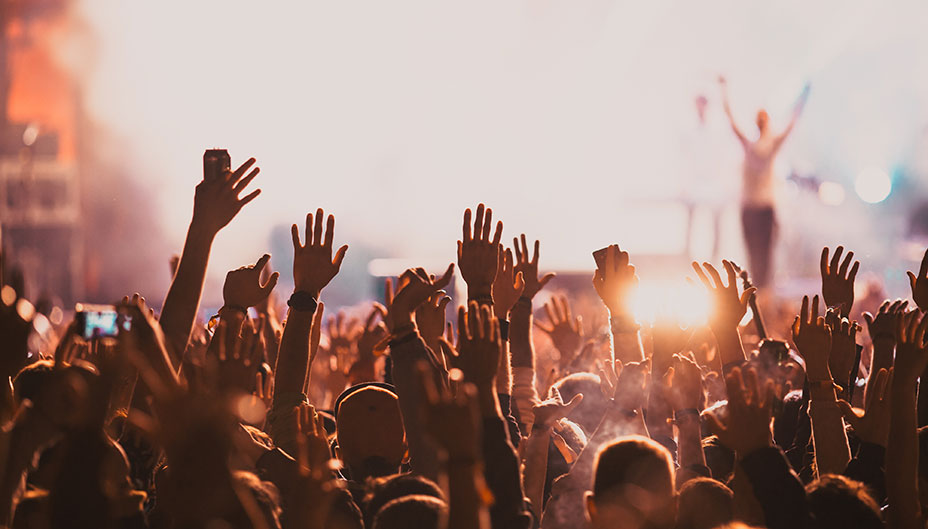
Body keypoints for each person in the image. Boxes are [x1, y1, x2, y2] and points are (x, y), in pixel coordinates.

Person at [719, 76, 810, 287]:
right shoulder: (751, 146)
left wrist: (803, 96)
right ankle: (758, 295)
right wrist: (724, 91)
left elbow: (792, 123)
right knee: (754, 256)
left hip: (762, 208)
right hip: (751, 207)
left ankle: (764, 295)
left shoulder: (768, 146)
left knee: (765, 257)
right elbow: (731, 120)